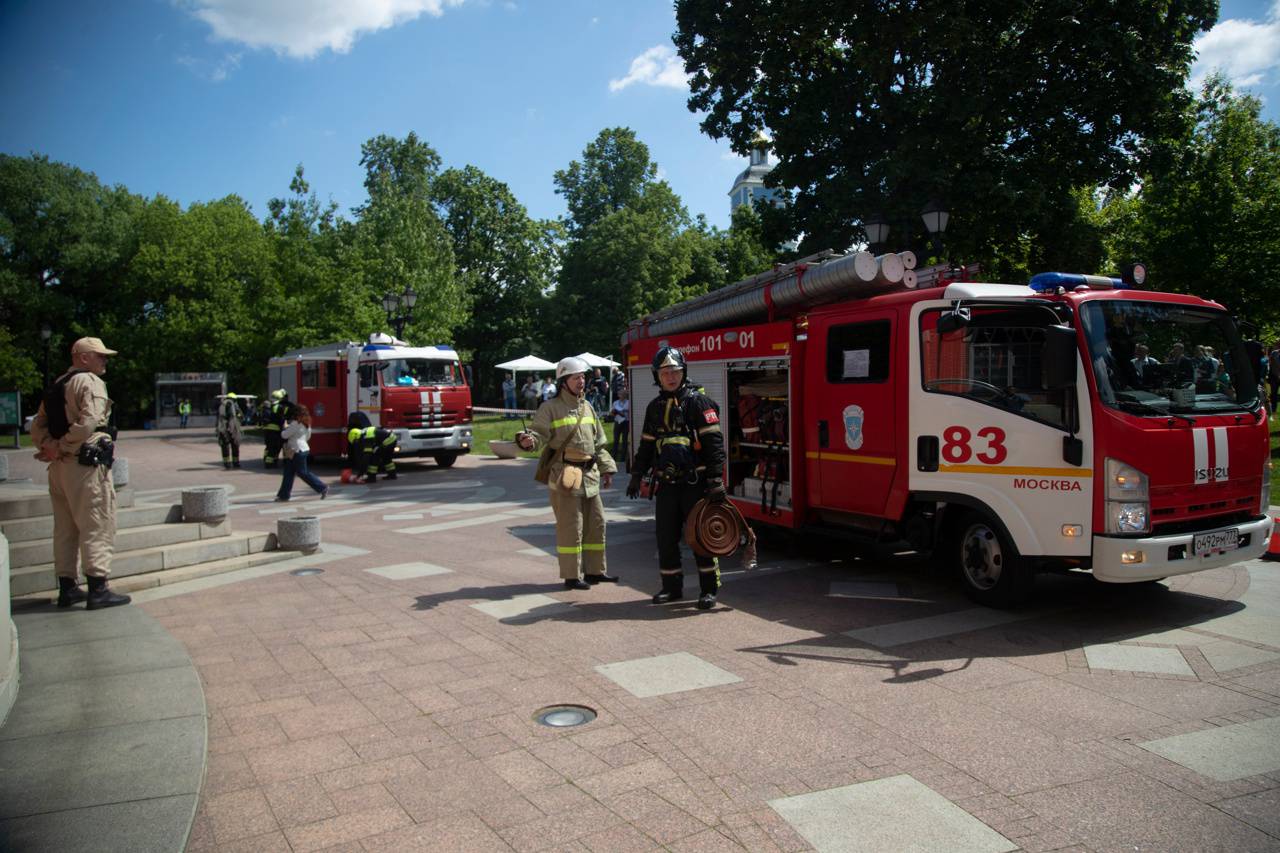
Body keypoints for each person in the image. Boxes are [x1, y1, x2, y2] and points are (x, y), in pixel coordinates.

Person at [30, 336, 129, 609]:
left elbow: (37, 426)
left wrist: (50, 448)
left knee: (65, 529)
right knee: (97, 523)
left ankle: (68, 588)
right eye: (100, 355)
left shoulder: (57, 384)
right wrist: (63, 446)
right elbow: (89, 422)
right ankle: (98, 588)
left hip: (58, 470)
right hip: (84, 468)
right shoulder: (89, 381)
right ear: (83, 357)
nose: (104, 359)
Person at [626, 346, 727, 610]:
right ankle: (671, 588)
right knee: (665, 538)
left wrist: (716, 480)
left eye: (675, 371)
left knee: (700, 537)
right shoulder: (654, 408)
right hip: (667, 486)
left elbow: (715, 445)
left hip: (696, 484)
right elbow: (647, 446)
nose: (671, 376)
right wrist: (637, 475)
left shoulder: (699, 403)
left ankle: (709, 590)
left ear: (683, 372)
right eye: (665, 372)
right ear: (656, 376)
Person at [516, 356, 618, 589]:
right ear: (564, 381)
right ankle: (572, 577)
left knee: (597, 524)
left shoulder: (588, 406)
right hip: (566, 477)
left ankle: (595, 571)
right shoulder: (549, 408)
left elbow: (598, 443)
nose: (581, 381)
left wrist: (607, 469)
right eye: (576, 378)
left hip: (590, 476)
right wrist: (528, 441)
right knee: (571, 527)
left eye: (583, 377)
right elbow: (538, 434)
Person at [276, 405, 328, 501]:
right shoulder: (306, 423)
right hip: (302, 449)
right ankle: (283, 495)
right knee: (289, 473)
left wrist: (284, 427)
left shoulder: (295, 424)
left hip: (295, 451)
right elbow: (308, 437)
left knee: (302, 473)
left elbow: (284, 435)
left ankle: (322, 487)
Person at [346, 413, 397, 482]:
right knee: (386, 457)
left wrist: (360, 474)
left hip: (388, 441)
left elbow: (366, 457)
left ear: (356, 437)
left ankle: (371, 477)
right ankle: (392, 475)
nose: (357, 444)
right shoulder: (364, 433)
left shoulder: (366, 438)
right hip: (392, 439)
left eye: (356, 442)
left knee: (374, 456)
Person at [262, 388, 290, 468]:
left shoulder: (268, 405)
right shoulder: (278, 406)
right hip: (275, 430)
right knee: (274, 447)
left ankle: (266, 459)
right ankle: (269, 463)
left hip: (267, 429)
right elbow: (280, 418)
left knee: (268, 446)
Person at [216, 393, 243, 469]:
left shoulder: (222, 405)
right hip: (232, 429)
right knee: (235, 445)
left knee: (225, 446)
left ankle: (227, 463)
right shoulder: (233, 405)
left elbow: (218, 418)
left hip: (222, 429)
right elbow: (240, 416)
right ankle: (236, 462)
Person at [610, 387, 630, 470]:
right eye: (620, 394)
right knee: (616, 440)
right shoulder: (615, 403)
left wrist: (622, 412)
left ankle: (622, 458)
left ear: (625, 395)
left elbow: (627, 411)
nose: (621, 395)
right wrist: (615, 412)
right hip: (617, 422)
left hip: (625, 422)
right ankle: (613, 457)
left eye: (622, 394)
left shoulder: (628, 402)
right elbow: (611, 412)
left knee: (624, 440)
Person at [1269, 340, 1280, 414]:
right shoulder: (1274, 353)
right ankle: (1273, 410)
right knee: (1273, 394)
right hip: (1274, 376)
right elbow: (1271, 364)